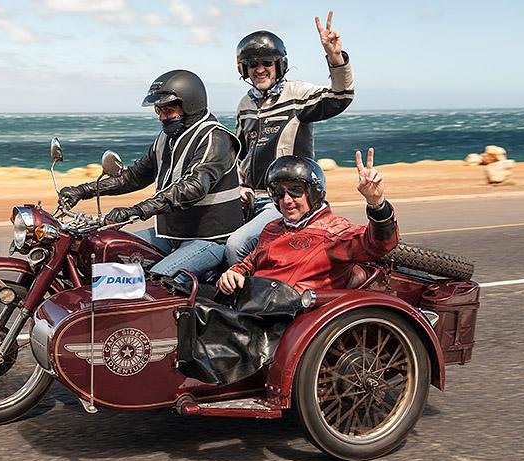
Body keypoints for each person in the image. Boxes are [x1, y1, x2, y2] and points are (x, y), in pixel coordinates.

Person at [58, 69, 244, 278]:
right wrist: (82, 190)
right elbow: (133, 177)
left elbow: (193, 187)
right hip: (170, 234)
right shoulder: (167, 138)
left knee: (150, 281)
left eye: (169, 110)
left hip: (209, 240)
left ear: (190, 105)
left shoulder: (215, 138)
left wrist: (135, 211)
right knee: (108, 252)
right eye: (159, 110)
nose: (162, 117)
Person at [226, 11, 355, 265]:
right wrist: (241, 185)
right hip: (252, 198)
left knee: (236, 247)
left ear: (279, 65)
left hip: (284, 199)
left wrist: (335, 57)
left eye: (267, 63)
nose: (260, 70)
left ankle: (249, 302)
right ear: (245, 69)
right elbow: (242, 151)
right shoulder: (245, 105)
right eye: (253, 64)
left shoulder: (296, 94)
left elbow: (341, 96)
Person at [217, 148, 398, 295]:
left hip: (284, 316)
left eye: (295, 191)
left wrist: (376, 203)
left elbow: (379, 243)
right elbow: (251, 261)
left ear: (314, 193)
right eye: (280, 193)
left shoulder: (333, 231)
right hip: (254, 302)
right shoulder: (273, 228)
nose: (286, 200)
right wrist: (234, 273)